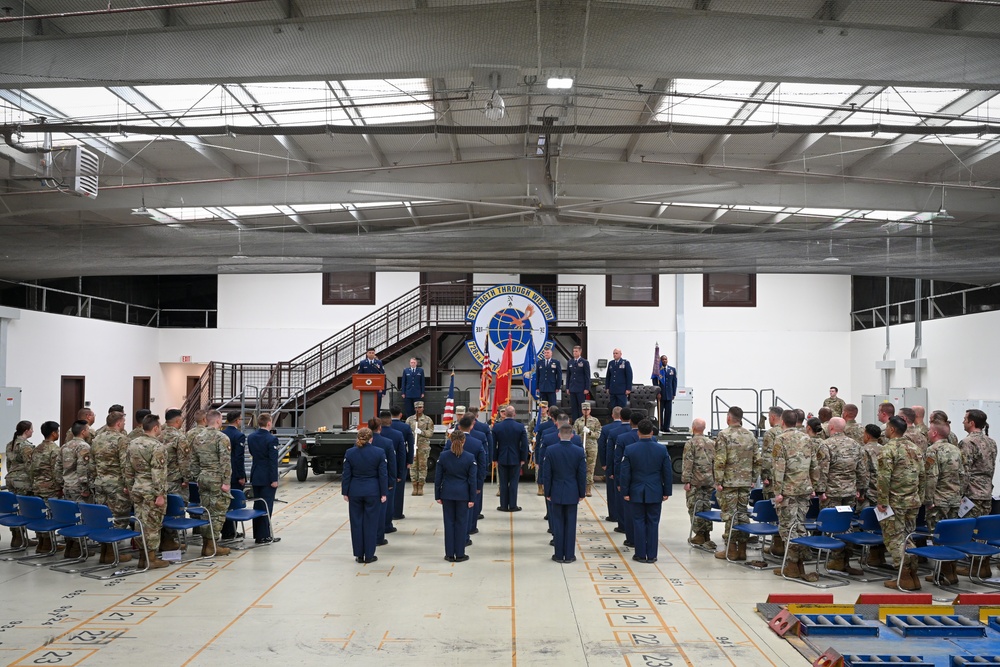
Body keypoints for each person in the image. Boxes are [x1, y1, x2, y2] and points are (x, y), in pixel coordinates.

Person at [878, 416, 925, 591]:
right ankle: (913, 575)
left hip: (895, 502)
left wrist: (882, 501)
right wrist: (919, 496)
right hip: (912, 500)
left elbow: (884, 477)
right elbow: (922, 476)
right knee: (907, 537)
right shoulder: (915, 448)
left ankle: (904, 575)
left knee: (894, 539)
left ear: (891, 429)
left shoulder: (888, 449)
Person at [772, 409, 820, 581]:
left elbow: (779, 468)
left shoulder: (781, 439)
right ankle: (799, 564)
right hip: (804, 489)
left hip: (788, 491)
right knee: (800, 526)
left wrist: (777, 492)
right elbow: (814, 465)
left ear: (783, 422)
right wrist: (814, 485)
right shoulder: (807, 438)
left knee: (788, 528)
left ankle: (792, 565)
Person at [815, 417, 867, 575]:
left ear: (831, 428)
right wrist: (861, 489)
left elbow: (823, 470)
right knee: (846, 524)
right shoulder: (855, 444)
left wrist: (820, 491)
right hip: (850, 491)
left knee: (833, 525)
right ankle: (845, 558)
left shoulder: (826, 445)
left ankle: (837, 559)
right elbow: (862, 469)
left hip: (832, 492)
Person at [620, 419, 672, 563]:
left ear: (638, 433)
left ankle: (640, 554)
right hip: (655, 491)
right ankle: (652, 555)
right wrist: (666, 491)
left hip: (636, 491)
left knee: (638, 522)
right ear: (651, 432)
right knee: (653, 522)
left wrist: (625, 492)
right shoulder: (661, 449)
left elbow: (625, 473)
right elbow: (667, 472)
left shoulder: (630, 449)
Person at [712, 406, 760, 562]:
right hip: (745, 482)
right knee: (742, 514)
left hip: (729, 482)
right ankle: (742, 550)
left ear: (728, 418)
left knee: (730, 515)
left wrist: (718, 481)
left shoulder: (724, 435)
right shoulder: (750, 435)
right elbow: (757, 460)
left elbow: (720, 460)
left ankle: (731, 550)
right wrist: (753, 479)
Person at [124, 413, 169, 570]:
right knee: (153, 524)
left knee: (140, 523)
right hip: (151, 490)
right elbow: (158, 473)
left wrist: (131, 488)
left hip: (137, 487)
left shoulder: (133, 443)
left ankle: (143, 558)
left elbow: (128, 470)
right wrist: (160, 494)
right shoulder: (157, 446)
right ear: (155, 428)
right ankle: (151, 558)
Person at [923, 421, 964, 583]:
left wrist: (928, 500)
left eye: (929, 431)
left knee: (937, 537)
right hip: (954, 499)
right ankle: (950, 572)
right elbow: (963, 475)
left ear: (934, 433)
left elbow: (931, 477)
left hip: (938, 501)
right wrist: (960, 495)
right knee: (951, 536)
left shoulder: (933, 450)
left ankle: (943, 573)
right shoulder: (956, 449)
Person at [91, 411, 134, 564]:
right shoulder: (121, 439)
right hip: (116, 485)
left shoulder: (97, 438)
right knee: (119, 518)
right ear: (118, 423)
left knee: (104, 518)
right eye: (123, 422)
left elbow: (92, 463)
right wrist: (129, 485)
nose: (124, 424)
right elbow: (125, 465)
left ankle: (105, 552)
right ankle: (111, 553)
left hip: (100, 482)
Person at [957, 409, 996, 577]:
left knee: (971, 531)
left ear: (971, 423)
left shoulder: (967, 442)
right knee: (983, 531)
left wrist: (959, 495)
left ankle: (975, 566)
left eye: (965, 419)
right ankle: (984, 565)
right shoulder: (991, 441)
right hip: (986, 491)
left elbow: (964, 471)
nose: (963, 422)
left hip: (972, 493)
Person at [189, 410, 232, 557]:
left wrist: (197, 478)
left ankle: (206, 544)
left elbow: (193, 461)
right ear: (218, 421)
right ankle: (212, 545)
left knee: (206, 512)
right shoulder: (222, 437)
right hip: (217, 480)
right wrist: (226, 482)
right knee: (218, 513)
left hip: (203, 478)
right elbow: (225, 462)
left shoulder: (198, 437)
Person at [543, 423, 587, 563]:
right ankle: (569, 555)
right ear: (572, 436)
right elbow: (581, 475)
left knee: (558, 524)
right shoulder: (579, 451)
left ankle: (558, 555)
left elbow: (547, 475)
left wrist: (547, 492)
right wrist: (582, 493)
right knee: (570, 524)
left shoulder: (550, 450)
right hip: (572, 491)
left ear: (558, 435)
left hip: (556, 491)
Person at [342, 428, 387, 564]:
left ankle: (359, 555)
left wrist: (345, 491)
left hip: (355, 491)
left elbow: (346, 474)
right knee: (371, 523)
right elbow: (382, 475)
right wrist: (383, 492)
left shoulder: (350, 453)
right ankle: (369, 554)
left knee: (356, 523)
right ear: (371, 439)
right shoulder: (379, 452)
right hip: (373, 492)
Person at [435, 430, 477, 563]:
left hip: (447, 493)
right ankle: (459, 554)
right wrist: (472, 498)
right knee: (461, 524)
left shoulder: (443, 456)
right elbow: (472, 480)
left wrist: (437, 495)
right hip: (463, 494)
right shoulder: (470, 458)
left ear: (450, 440)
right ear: (464, 441)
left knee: (449, 523)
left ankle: (449, 554)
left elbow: (438, 477)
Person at [61, 420, 94, 559]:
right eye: (88, 429)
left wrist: (60, 483)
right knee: (81, 517)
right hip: (78, 487)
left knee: (70, 516)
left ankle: (69, 546)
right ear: (83, 431)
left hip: (67, 486)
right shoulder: (83, 446)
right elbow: (82, 469)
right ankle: (77, 548)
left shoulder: (65, 446)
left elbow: (58, 467)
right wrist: (85, 487)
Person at [28, 421, 63, 553]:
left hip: (37, 486)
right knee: (49, 515)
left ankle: (41, 543)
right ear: (54, 433)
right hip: (49, 487)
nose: (58, 434)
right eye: (58, 431)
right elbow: (56, 471)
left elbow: (31, 469)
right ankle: (47, 543)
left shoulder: (37, 448)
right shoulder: (54, 450)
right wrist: (60, 486)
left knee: (40, 515)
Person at [159, 408, 190, 552]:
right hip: (175, 480)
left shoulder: (158, 434)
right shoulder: (179, 437)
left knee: (162, 511)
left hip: (159, 480)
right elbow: (183, 461)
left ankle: (161, 540)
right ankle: (170, 541)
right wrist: (186, 478)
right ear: (178, 421)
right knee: (176, 510)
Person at [682, 418, 716, 549]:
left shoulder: (690, 443)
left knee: (694, 507)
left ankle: (699, 535)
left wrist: (686, 481)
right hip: (709, 481)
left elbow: (688, 463)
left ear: (693, 428)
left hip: (695, 481)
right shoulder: (711, 442)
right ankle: (707, 535)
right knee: (706, 507)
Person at [248, 412, 281, 544]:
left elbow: (252, 453)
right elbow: (273, 461)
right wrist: (274, 479)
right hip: (267, 476)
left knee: (258, 504)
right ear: (269, 423)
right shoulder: (271, 439)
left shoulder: (251, 437)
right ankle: (264, 535)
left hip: (256, 474)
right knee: (267, 506)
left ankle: (258, 533)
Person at [4, 421, 35, 549]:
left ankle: (16, 537)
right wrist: (33, 481)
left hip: (10, 478)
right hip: (22, 480)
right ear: (26, 430)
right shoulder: (26, 446)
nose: (33, 431)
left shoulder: (10, 444)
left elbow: (8, 464)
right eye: (31, 429)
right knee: (22, 509)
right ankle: (21, 539)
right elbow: (30, 466)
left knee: (14, 508)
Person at [492, 405, 529, 512]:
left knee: (503, 482)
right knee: (513, 482)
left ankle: (503, 505)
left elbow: (493, 444)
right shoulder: (520, 427)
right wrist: (523, 458)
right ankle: (513, 505)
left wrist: (494, 458)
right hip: (515, 458)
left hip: (501, 457)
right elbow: (524, 444)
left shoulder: (497, 427)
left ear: (504, 414)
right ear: (514, 414)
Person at [457, 416, 487, 536]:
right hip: (473, 479)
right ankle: (471, 528)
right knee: (472, 506)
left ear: (459, 427)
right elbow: (482, 464)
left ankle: (461, 532)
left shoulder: (451, 441)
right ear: (472, 426)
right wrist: (479, 484)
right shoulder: (478, 442)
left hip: (456, 481)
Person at [369, 418, 397, 545]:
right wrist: (391, 482)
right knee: (381, 511)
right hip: (382, 481)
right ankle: (379, 537)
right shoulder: (387, 443)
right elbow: (392, 464)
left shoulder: (359, 443)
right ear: (380, 427)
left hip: (367, 482)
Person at [220, 411, 247, 540]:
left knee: (224, 503)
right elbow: (238, 458)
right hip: (234, 473)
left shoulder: (222, 434)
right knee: (234, 503)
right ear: (237, 420)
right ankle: (232, 531)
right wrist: (242, 475)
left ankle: (226, 530)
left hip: (221, 473)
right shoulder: (239, 435)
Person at [379, 410, 408, 524]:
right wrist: (400, 473)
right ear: (390, 422)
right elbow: (402, 455)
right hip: (392, 471)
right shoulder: (397, 434)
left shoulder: (373, 436)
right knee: (390, 498)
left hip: (376, 472)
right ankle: (389, 522)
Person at [598, 407, 626, 523]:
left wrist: (604, 463)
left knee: (612, 491)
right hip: (627, 465)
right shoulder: (631, 429)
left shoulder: (606, 429)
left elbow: (603, 447)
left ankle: (613, 515)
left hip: (613, 465)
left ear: (612, 415)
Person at [389, 406, 414, 516]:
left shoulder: (385, 426)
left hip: (386, 459)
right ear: (400, 415)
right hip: (400, 459)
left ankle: (387, 513)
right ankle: (397, 512)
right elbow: (411, 445)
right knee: (399, 488)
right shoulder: (405, 427)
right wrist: (409, 460)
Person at [573, 402, 602, 496]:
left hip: (592, 446)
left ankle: (588, 488)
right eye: (584, 409)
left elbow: (598, 435)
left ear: (590, 410)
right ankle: (579, 486)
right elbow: (574, 435)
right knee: (580, 467)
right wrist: (582, 434)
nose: (586, 411)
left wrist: (589, 432)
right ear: (582, 410)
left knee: (590, 467)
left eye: (587, 409)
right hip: (580, 446)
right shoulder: (578, 421)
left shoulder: (595, 421)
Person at [406, 401, 434, 496]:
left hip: (423, 446)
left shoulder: (427, 420)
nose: (419, 409)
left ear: (423, 408)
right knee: (413, 466)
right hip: (413, 446)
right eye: (417, 407)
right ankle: (414, 486)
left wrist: (422, 432)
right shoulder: (410, 420)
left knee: (422, 466)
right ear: (414, 408)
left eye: (420, 407)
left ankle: (421, 486)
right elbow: (406, 431)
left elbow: (430, 432)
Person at [760, 406, 784, 502]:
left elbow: (767, 456)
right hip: (786, 478)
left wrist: (765, 476)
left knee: (771, 508)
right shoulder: (787, 431)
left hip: (772, 478)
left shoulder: (770, 433)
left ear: (773, 417)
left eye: (769, 417)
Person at [565, 345, 591, 421]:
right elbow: (568, 376)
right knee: (573, 406)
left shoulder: (584, 362)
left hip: (581, 388)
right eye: (573, 351)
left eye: (576, 351)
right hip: (572, 387)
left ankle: (581, 421)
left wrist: (587, 388)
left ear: (580, 352)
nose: (574, 353)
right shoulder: (570, 362)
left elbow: (587, 376)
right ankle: (575, 421)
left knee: (581, 406)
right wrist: (567, 387)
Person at [652, 354, 678, 431]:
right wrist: (657, 393)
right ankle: (661, 426)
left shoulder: (672, 369)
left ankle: (666, 427)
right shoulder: (657, 370)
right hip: (661, 395)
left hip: (669, 394)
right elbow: (655, 382)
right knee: (660, 411)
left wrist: (674, 393)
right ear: (660, 361)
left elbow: (674, 382)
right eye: (663, 359)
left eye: (665, 359)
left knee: (668, 411)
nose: (664, 361)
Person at [358, 347, 386, 412]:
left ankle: (377, 421)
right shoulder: (362, 363)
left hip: (377, 389)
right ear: (367, 354)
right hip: (366, 390)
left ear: (374, 354)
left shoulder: (379, 362)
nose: (371, 354)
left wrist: (383, 390)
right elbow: (359, 376)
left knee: (377, 408)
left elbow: (383, 376)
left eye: (372, 353)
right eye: (369, 353)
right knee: (367, 409)